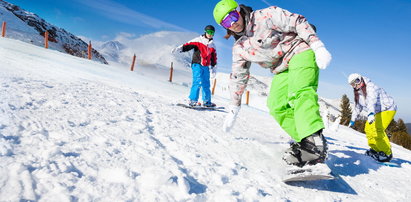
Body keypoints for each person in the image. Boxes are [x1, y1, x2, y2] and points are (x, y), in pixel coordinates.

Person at [213, 0, 332, 167]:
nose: (233, 23)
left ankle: (313, 142)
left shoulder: (265, 16)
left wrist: (317, 45)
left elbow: (297, 21)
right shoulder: (240, 48)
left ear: (239, 11)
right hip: (281, 68)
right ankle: (304, 142)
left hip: (299, 51)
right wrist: (234, 107)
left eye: (233, 16)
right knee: (276, 105)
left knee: (300, 91)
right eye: (226, 22)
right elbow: (239, 76)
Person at [347, 73, 397, 162]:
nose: (356, 85)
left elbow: (371, 101)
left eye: (357, 81)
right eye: (353, 84)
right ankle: (376, 149)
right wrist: (353, 119)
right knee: (368, 129)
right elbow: (358, 106)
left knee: (378, 129)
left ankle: (387, 153)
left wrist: (370, 114)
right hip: (376, 111)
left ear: (361, 79)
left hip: (387, 108)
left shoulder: (371, 87)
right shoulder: (358, 92)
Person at [172, 25, 218, 107]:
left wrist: (214, 67)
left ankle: (207, 102)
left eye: (212, 33)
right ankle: (192, 100)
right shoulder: (199, 40)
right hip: (197, 64)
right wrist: (181, 48)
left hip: (206, 66)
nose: (210, 34)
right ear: (205, 32)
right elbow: (189, 45)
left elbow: (214, 57)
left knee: (206, 84)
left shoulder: (212, 45)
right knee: (198, 81)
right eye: (209, 32)